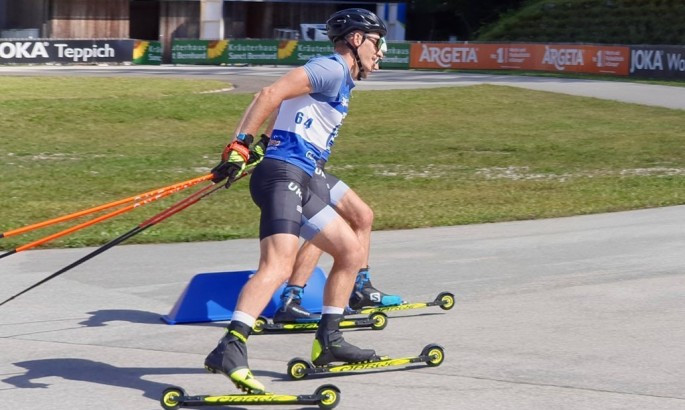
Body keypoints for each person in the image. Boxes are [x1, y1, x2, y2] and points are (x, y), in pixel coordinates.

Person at [204, 8, 390, 393]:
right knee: (277, 265)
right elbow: (269, 94)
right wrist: (240, 146)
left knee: (351, 252)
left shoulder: (340, 78)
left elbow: (292, 115)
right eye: (377, 42)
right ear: (356, 40)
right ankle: (231, 346)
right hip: (285, 177)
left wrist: (266, 145)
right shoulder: (332, 68)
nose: (382, 51)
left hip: (300, 177)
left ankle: (329, 342)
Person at [272, 165, 404, 323]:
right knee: (324, 229)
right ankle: (290, 299)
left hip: (316, 169)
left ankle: (361, 289)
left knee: (363, 215)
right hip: (300, 169)